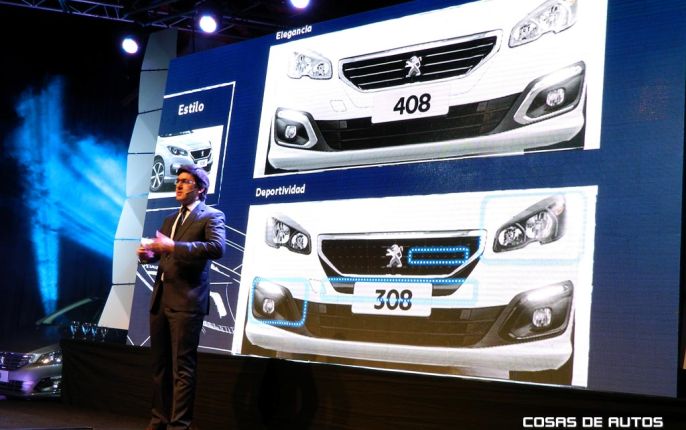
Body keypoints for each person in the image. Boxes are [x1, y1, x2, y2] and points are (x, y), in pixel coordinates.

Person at [137, 164, 225, 430]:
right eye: (177, 180)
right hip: (161, 299)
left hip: (187, 301)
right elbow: (166, 256)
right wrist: (149, 255)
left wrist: (173, 245)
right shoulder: (170, 220)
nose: (178, 184)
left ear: (200, 189)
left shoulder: (211, 215)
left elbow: (216, 247)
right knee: (160, 366)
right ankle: (159, 421)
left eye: (185, 181)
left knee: (182, 369)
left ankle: (179, 426)